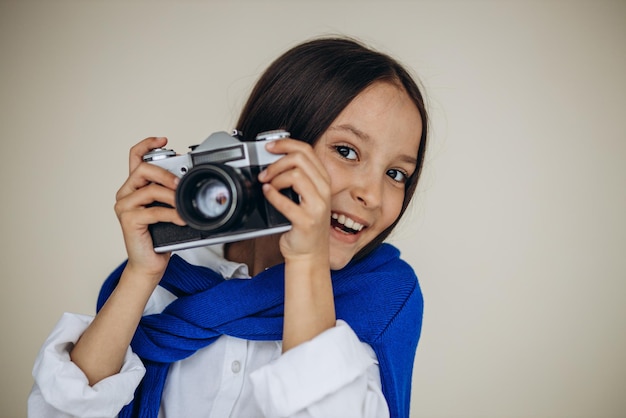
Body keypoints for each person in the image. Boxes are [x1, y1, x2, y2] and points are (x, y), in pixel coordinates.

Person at [29, 36, 428, 418]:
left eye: (396, 173)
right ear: (271, 149)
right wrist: (141, 274)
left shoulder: (383, 299)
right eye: (346, 151)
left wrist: (307, 261)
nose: (373, 196)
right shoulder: (171, 277)